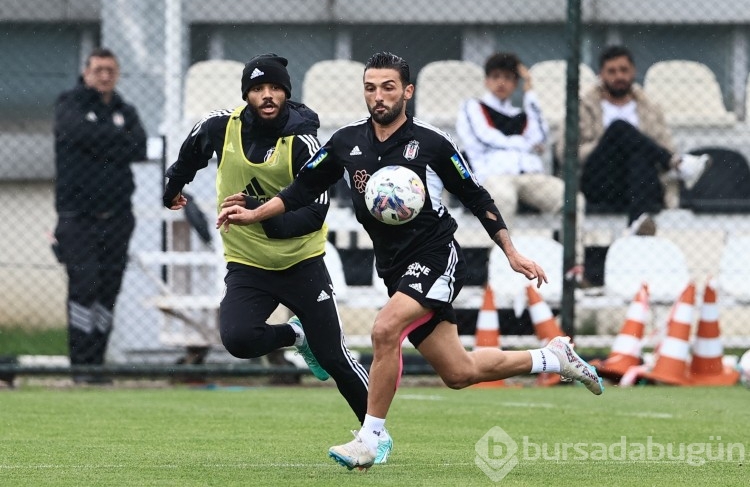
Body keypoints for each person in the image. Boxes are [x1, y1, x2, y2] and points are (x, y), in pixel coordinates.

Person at [216, 51, 604, 470]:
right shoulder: (347, 142)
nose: (378, 97)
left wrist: (510, 251)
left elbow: (477, 197)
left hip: (436, 257)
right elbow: (301, 190)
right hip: (395, 270)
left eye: (388, 87)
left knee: (385, 329)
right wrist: (256, 213)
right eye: (370, 88)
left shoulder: (434, 143)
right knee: (458, 372)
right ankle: (553, 358)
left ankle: (371, 438)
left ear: (407, 91)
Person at [162, 54, 392, 463]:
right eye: (257, 89)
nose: (266, 96)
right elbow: (191, 151)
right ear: (246, 94)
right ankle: (294, 336)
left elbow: (315, 213)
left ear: (287, 92)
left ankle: (375, 435)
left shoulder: (303, 141)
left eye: (275, 88)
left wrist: (260, 213)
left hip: (301, 263)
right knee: (237, 339)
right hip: (248, 265)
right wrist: (174, 186)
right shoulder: (222, 126)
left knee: (335, 358)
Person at [53, 48, 147, 383]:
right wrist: (115, 141)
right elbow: (76, 132)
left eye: (110, 70)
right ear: (86, 72)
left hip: (118, 216)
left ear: (117, 73)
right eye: (98, 69)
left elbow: (139, 145)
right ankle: (81, 365)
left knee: (108, 289)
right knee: (84, 285)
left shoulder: (124, 109)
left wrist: (100, 142)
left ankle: (97, 364)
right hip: (77, 216)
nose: (104, 76)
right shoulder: (69, 103)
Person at [455, 51, 585, 264]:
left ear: (515, 83)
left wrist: (530, 89)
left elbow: (542, 136)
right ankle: (501, 270)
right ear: (487, 80)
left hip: (530, 176)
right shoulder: (472, 107)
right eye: (496, 77)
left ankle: (573, 268)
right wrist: (524, 145)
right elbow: (485, 137)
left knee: (573, 199)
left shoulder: (522, 114)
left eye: (508, 78)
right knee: (503, 199)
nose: (501, 83)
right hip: (494, 176)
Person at [574, 45, 711, 235]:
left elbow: (665, 144)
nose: (619, 76)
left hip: (640, 183)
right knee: (619, 128)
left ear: (633, 72)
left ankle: (636, 224)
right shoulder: (583, 106)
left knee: (639, 154)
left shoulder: (650, 107)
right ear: (601, 75)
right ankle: (679, 164)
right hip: (600, 181)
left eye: (624, 70)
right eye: (611, 71)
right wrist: (611, 142)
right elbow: (568, 152)